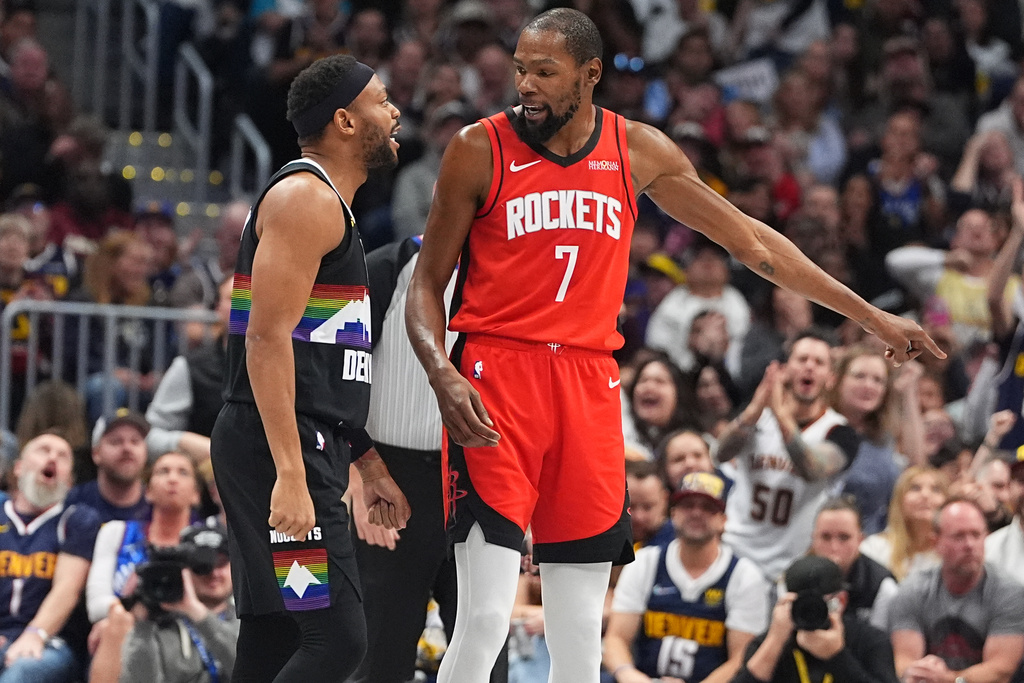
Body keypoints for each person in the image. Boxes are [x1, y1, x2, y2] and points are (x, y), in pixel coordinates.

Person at [405, 9, 941, 682]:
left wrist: (873, 317)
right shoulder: (478, 147)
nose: (527, 85)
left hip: (590, 385)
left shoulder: (637, 150)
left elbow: (754, 244)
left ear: (591, 74)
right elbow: (425, 287)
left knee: (580, 635)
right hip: (496, 381)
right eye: (520, 70)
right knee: (484, 618)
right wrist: (440, 371)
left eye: (545, 71)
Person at [209, 54, 411, 683]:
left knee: (279, 633)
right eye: (381, 100)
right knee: (336, 639)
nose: (395, 111)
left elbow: (320, 361)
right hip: (280, 448)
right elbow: (265, 340)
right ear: (345, 121)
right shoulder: (306, 199)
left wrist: (365, 459)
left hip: (294, 440)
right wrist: (291, 474)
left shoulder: (324, 205)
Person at [348, 233, 506, 683]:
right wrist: (356, 476)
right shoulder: (385, 267)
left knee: (486, 641)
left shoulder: (513, 271)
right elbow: (336, 376)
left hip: (482, 473)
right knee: (382, 649)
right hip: (391, 474)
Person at [715, 334, 860, 581]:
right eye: (802, 359)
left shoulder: (839, 431)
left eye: (819, 362)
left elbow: (812, 468)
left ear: (830, 379)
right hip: (736, 551)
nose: (809, 367)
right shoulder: (756, 418)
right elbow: (720, 453)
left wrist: (781, 415)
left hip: (793, 563)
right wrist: (753, 410)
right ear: (783, 370)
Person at [604, 472, 770, 683]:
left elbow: (741, 660)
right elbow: (616, 639)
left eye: (708, 508)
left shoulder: (744, 576)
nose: (696, 513)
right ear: (673, 513)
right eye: (687, 505)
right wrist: (631, 676)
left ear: (723, 520)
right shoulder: (645, 561)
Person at [0, 432, 101, 682]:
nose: (53, 458)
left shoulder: (76, 519)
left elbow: (67, 589)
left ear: (70, 481)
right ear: (18, 468)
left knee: (22, 672)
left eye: (63, 456)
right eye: (44, 450)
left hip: (51, 641)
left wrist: (35, 633)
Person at [890, 499, 1024, 683]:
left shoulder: (1009, 594)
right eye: (959, 536)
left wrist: (950, 679)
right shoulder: (913, 589)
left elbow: (1000, 670)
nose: (970, 545)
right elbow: (904, 660)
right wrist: (919, 672)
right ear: (935, 542)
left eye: (976, 535)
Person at [92, 523, 239, 683]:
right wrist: (143, 627)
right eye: (201, 567)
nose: (213, 573)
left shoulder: (246, 620)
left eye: (221, 563)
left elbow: (250, 671)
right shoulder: (160, 622)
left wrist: (198, 613)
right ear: (183, 570)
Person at [731, 555, 900, 683]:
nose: (810, 611)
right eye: (802, 603)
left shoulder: (870, 641)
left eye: (818, 603)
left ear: (841, 601)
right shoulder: (768, 642)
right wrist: (774, 642)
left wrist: (838, 657)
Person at [85, 451, 204, 624]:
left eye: (183, 473)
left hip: (192, 631)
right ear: (147, 491)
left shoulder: (207, 541)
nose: (172, 479)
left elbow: (223, 607)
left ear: (196, 494)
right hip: (128, 628)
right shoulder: (117, 532)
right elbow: (95, 606)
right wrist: (127, 604)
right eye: (163, 472)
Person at [809, 498, 898, 630]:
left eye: (844, 537)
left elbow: (880, 639)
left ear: (860, 540)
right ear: (813, 539)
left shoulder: (883, 587)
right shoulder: (795, 579)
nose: (834, 547)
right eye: (825, 537)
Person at [860, 465, 948, 581]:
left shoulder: (952, 553)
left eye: (936, 489)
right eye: (915, 488)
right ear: (899, 500)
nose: (925, 495)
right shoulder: (874, 548)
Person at [65, 409, 152, 523]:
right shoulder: (72, 504)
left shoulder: (158, 506)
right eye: (116, 442)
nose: (127, 448)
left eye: (135, 441)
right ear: (96, 454)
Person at [624, 459, 673, 550]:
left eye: (647, 507)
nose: (638, 517)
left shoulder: (677, 545)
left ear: (665, 500)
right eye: (630, 507)